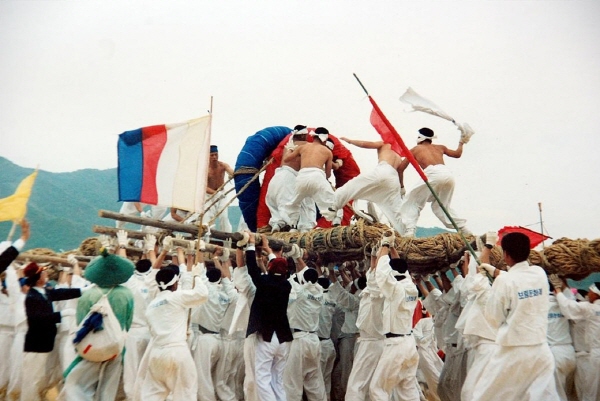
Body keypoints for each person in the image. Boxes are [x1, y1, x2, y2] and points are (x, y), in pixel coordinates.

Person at [472, 232, 559, 400]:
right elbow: (519, 278)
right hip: (541, 350)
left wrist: (492, 277)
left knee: (484, 396)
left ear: (505, 254)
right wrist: (496, 271)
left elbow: (493, 316)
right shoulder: (539, 274)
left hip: (513, 351)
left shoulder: (504, 282)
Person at [60, 249, 135, 401]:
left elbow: (81, 321)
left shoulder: (87, 295)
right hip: (116, 345)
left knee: (82, 384)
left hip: (91, 345)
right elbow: (127, 323)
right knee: (109, 385)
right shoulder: (126, 294)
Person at [136, 259, 209, 400]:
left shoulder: (152, 305)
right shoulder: (176, 296)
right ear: (175, 284)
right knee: (185, 394)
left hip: (156, 354)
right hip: (177, 351)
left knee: (153, 394)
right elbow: (202, 294)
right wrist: (197, 276)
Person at [369, 231, 420, 400]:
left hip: (395, 344)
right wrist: (392, 247)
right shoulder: (411, 287)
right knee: (407, 389)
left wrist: (384, 244)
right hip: (409, 343)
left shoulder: (396, 289)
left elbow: (382, 273)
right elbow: (400, 267)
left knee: (378, 389)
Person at [21, 261, 82, 401]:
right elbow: (36, 319)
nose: (46, 273)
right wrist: (61, 314)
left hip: (44, 343)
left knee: (39, 377)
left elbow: (62, 293)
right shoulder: (31, 297)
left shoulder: (43, 293)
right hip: (35, 345)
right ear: (37, 278)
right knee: (32, 378)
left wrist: (83, 290)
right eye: (42, 272)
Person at [245, 233, 293, 401]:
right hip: (283, 339)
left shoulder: (265, 283)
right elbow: (277, 267)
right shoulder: (286, 285)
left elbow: (251, 268)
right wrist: (266, 251)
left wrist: (251, 244)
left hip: (267, 338)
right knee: (277, 380)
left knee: (262, 378)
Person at [399, 127, 470, 237]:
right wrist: (461, 142)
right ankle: (464, 230)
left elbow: (400, 169)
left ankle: (409, 231)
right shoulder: (440, 147)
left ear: (420, 137)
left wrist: (401, 187)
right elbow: (457, 154)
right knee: (441, 206)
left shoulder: (415, 149)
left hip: (433, 174)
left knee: (412, 201)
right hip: (448, 175)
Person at [330, 138, 405, 234]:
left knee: (353, 186)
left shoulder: (385, 143)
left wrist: (350, 141)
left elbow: (365, 143)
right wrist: (402, 188)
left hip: (383, 170)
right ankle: (405, 234)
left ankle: (333, 208)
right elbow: (400, 172)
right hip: (393, 180)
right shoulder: (398, 155)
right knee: (396, 211)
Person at [282, 127, 343, 229]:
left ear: (313, 136)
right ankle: (336, 220)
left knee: (295, 202)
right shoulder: (327, 152)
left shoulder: (303, 147)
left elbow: (287, 159)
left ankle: (292, 224)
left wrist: (290, 149)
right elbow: (328, 175)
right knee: (333, 200)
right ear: (325, 140)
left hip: (301, 178)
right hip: (317, 176)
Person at [551, 277, 600, 401]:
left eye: (590, 291)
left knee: (589, 391)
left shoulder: (591, 309)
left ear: (596, 294)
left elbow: (568, 307)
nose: (588, 294)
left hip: (590, 356)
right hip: (587, 355)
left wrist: (558, 289)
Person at [266, 125, 317, 233]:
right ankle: (302, 229)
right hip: (289, 178)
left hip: (277, 178)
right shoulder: (307, 146)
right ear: (303, 135)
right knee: (306, 202)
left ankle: (277, 224)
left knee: (278, 206)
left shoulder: (287, 145)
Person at [203, 145, 235, 231]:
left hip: (222, 194)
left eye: (216, 154)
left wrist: (232, 174)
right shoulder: (205, 169)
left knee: (224, 217)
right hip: (209, 196)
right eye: (212, 155)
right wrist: (216, 194)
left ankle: (227, 239)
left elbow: (231, 170)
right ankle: (206, 240)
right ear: (208, 156)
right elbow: (204, 187)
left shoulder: (222, 166)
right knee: (207, 219)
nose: (214, 157)